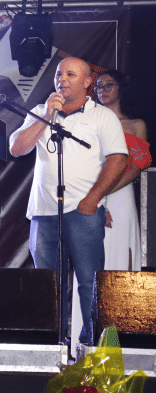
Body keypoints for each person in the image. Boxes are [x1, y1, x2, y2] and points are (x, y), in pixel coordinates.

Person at [9, 57, 128, 346]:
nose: (61, 79)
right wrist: (47, 114)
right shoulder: (40, 111)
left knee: (89, 281)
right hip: (43, 212)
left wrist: (93, 199)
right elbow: (16, 148)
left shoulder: (102, 116)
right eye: (59, 74)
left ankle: (91, 347)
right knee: (48, 284)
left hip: (83, 211)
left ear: (87, 82)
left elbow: (118, 159)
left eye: (70, 74)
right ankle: (52, 344)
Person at [70, 69, 151, 356]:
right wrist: (94, 198)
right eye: (99, 86)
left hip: (117, 197)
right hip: (90, 197)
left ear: (120, 89)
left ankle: (118, 344)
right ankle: (84, 340)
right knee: (89, 264)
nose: (102, 90)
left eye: (108, 85)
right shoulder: (89, 121)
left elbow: (136, 167)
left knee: (118, 260)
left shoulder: (135, 124)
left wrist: (102, 194)